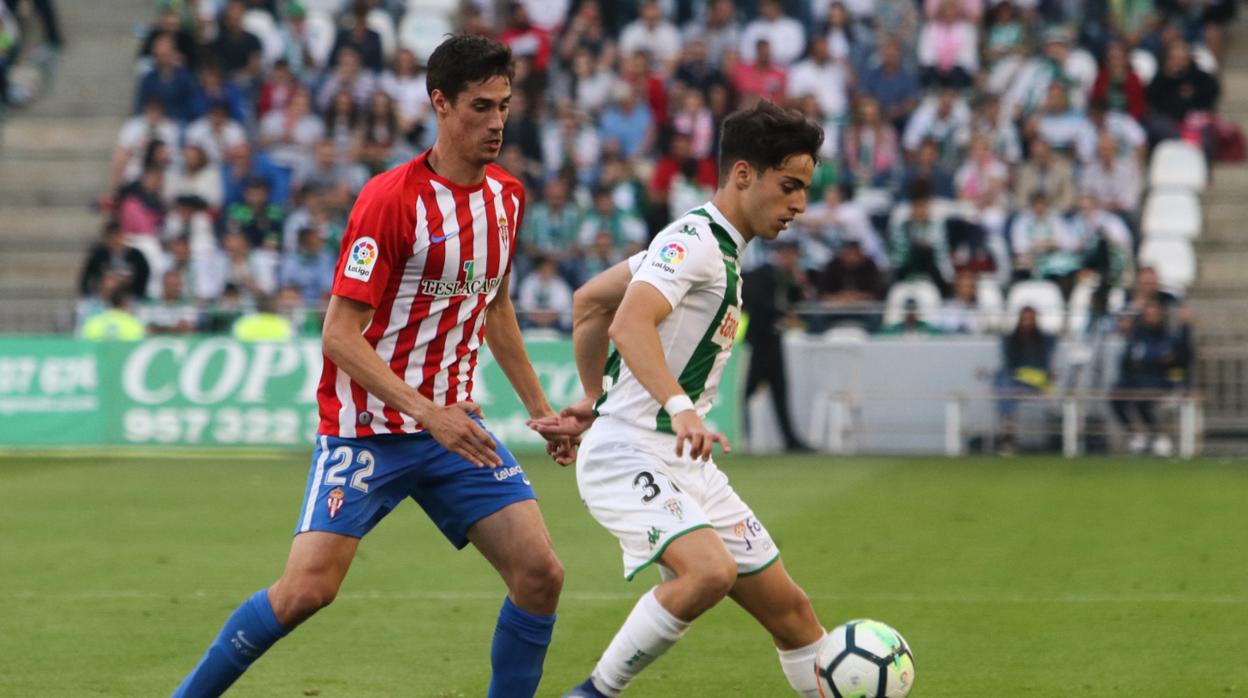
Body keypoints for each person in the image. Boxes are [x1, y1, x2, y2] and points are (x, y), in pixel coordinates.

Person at [170, 35, 572, 698]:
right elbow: (338, 336)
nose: (497, 121)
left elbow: (495, 307)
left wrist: (539, 410)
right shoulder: (391, 200)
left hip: (455, 432)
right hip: (368, 430)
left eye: (504, 105)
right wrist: (427, 413)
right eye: (481, 106)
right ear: (439, 103)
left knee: (541, 574)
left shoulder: (506, 198)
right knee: (306, 591)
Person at [529, 101, 830, 697]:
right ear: (744, 174)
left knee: (794, 617)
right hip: (633, 455)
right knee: (709, 572)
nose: (800, 204)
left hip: (685, 463)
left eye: (805, 190)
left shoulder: (715, 249)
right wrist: (674, 406)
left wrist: (599, 397)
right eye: (789, 186)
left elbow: (590, 301)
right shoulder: (692, 241)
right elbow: (628, 324)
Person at [742, 240, 812, 452]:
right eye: (788, 254)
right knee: (746, 391)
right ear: (779, 255)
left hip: (775, 340)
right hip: (759, 342)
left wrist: (799, 282)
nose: (792, 259)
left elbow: (797, 300)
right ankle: (741, 436)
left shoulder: (787, 278)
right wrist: (781, 316)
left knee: (780, 391)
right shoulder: (762, 274)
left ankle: (790, 440)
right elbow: (757, 304)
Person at [994, 306, 1055, 454]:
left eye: (1030, 319)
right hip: (1015, 380)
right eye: (1024, 319)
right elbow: (1009, 364)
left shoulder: (1046, 340)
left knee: (1004, 383)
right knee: (1003, 380)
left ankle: (1008, 431)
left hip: (1036, 381)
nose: (1027, 322)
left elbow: (1044, 366)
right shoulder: (1009, 340)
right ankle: (1008, 427)